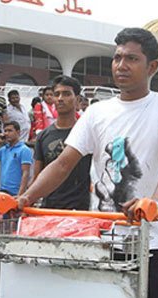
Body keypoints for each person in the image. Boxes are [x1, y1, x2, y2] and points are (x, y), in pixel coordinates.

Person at [17, 28, 158, 298]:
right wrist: (24, 200)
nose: (121, 65)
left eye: (131, 58)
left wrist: (154, 203)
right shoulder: (97, 112)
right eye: (117, 57)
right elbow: (64, 163)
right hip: (106, 242)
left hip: (152, 244)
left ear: (152, 65)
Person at [32, 76, 92, 210]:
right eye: (57, 94)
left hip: (80, 211)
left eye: (66, 94)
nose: (60, 98)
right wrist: (27, 201)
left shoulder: (87, 133)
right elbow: (37, 176)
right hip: (49, 210)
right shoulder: (43, 136)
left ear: (77, 100)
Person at [0, 121, 32, 196]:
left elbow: (25, 173)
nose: (7, 133)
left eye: (10, 131)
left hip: (16, 192)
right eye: (5, 131)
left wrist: (20, 194)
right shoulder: (4, 149)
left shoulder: (24, 150)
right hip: (3, 191)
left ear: (18, 132)